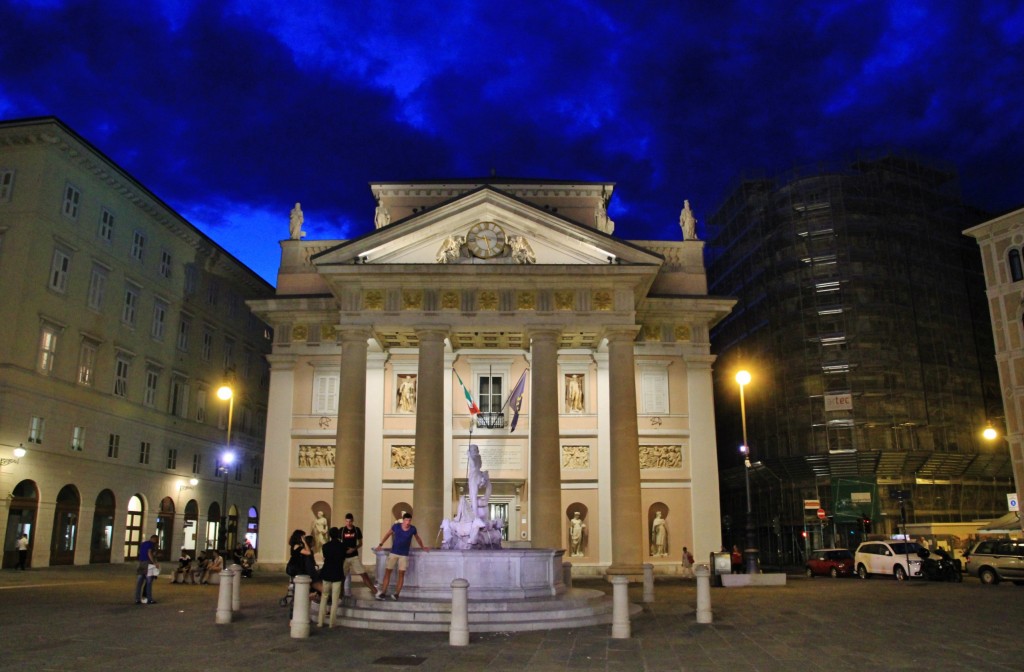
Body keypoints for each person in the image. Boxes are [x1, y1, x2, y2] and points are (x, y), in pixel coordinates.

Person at [374, 511, 429, 600]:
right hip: (394, 552)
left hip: (404, 555)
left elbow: (417, 538)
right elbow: (388, 534)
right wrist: (380, 544)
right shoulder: (396, 527)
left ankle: (397, 594)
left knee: (401, 574)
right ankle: (383, 592)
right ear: (403, 520)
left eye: (409, 520)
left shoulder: (412, 529)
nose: (408, 522)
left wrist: (423, 547)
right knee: (388, 572)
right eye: (406, 520)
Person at [340, 513, 378, 594]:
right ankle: (340, 593)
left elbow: (360, 543)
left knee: (363, 573)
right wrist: (343, 551)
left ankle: (374, 590)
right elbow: (339, 542)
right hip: (344, 557)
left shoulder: (356, 530)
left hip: (354, 556)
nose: (348, 523)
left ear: (352, 521)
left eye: (350, 521)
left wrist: (354, 549)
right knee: (341, 576)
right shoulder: (342, 530)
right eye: (347, 521)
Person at [318, 527, 345, 628]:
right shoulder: (342, 546)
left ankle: (320, 622)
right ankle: (331, 623)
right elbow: (343, 558)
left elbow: (325, 557)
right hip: (337, 573)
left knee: (324, 597)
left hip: (327, 573)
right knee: (335, 599)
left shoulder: (325, 546)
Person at [134, 534, 160, 605]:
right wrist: (154, 562)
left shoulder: (143, 543)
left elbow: (139, 552)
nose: (156, 542)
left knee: (139, 582)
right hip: (148, 564)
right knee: (149, 582)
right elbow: (149, 553)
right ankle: (149, 599)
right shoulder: (151, 544)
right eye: (156, 540)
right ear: (154, 539)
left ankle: (137, 599)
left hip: (141, 563)